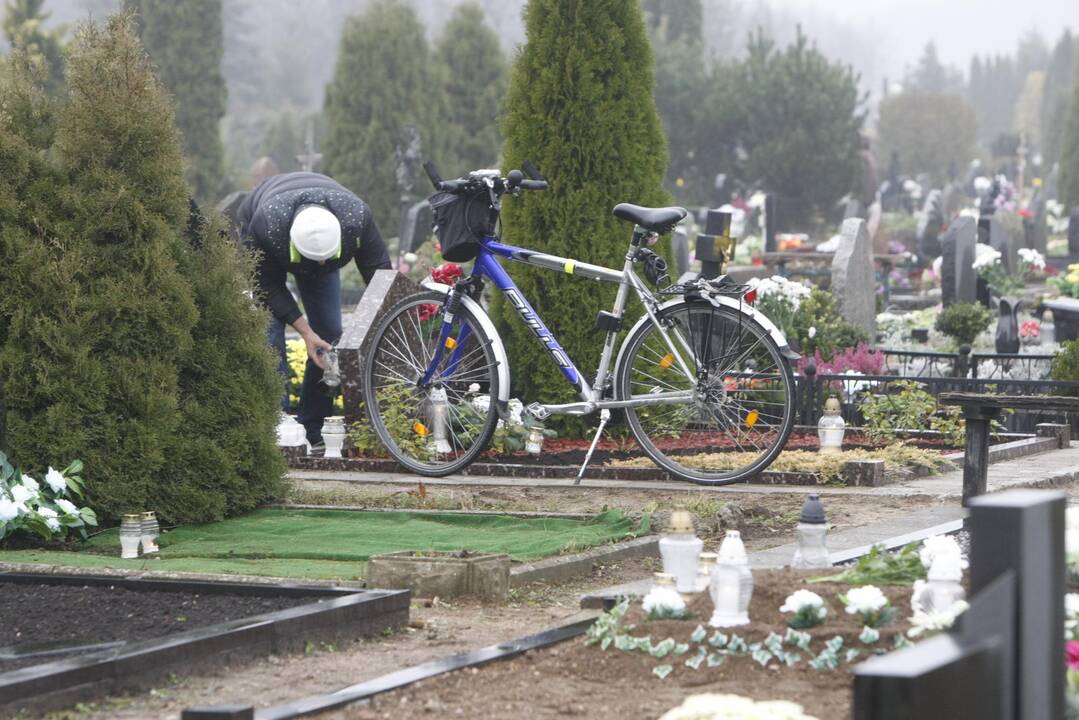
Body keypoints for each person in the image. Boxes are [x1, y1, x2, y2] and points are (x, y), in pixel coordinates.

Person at [237, 172, 391, 447]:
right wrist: (305, 333)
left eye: (326, 261)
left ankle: (312, 428)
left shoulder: (357, 218)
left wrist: (372, 333)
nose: (319, 268)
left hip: (311, 232)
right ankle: (276, 420)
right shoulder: (265, 226)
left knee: (329, 334)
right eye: (314, 261)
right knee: (270, 332)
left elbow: (381, 280)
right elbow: (268, 287)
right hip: (267, 238)